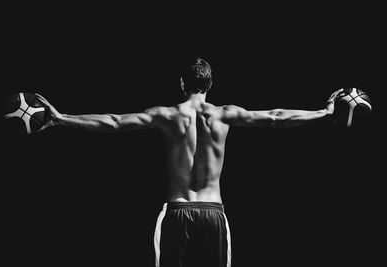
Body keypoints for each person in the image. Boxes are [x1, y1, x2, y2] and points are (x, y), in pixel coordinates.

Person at [36, 57, 344, 267]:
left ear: (182, 83)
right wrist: (324, 112)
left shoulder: (167, 115)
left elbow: (114, 122)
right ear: (210, 84)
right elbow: (277, 117)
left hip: (176, 212)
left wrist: (63, 119)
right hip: (214, 212)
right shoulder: (225, 114)